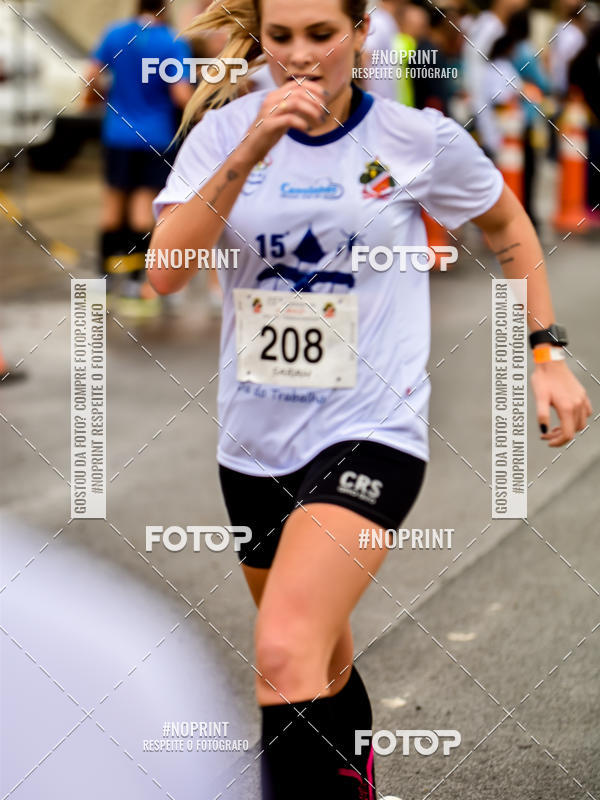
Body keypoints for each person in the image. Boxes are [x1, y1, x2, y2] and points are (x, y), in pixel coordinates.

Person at [148, 0, 593, 797]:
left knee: (282, 650)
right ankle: (355, 781)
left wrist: (546, 351)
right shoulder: (223, 133)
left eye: (322, 36)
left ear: (361, 34)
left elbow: (509, 228)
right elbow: (165, 272)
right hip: (253, 444)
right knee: (319, 655)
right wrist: (250, 148)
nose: (300, 58)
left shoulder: (414, 139)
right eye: (281, 39)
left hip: (371, 431)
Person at [86, 0, 194, 316]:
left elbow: (91, 76)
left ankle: (105, 283)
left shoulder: (115, 34)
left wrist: (97, 98)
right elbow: (181, 94)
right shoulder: (173, 42)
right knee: (142, 212)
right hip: (155, 137)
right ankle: (135, 286)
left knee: (111, 208)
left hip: (117, 133)